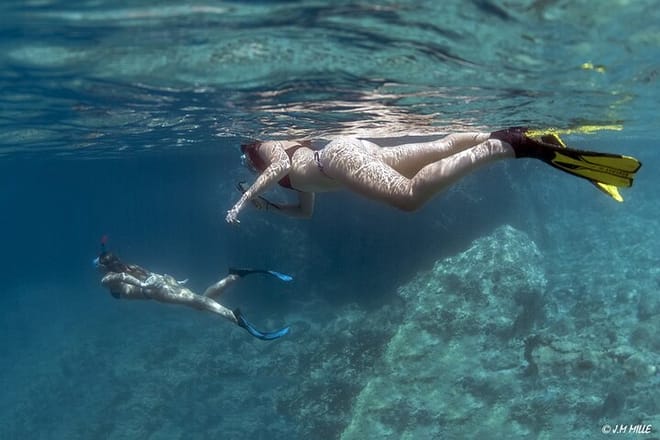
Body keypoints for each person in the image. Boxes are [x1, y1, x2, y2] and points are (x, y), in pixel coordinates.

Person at [225, 127, 641, 223]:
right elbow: (305, 213)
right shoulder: (289, 180)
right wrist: (269, 206)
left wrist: (241, 202)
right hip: (350, 154)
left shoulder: (264, 146)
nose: (246, 163)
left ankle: (512, 145)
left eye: (244, 157)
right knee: (441, 148)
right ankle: (519, 133)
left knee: (408, 197)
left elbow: (280, 165)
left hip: (338, 158)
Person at [94, 242, 292, 341]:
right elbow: (147, 274)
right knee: (200, 302)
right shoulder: (130, 266)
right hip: (163, 281)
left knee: (198, 302)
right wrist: (167, 280)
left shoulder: (107, 279)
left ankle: (235, 318)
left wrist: (145, 286)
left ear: (103, 267)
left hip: (155, 291)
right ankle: (234, 276)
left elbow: (124, 278)